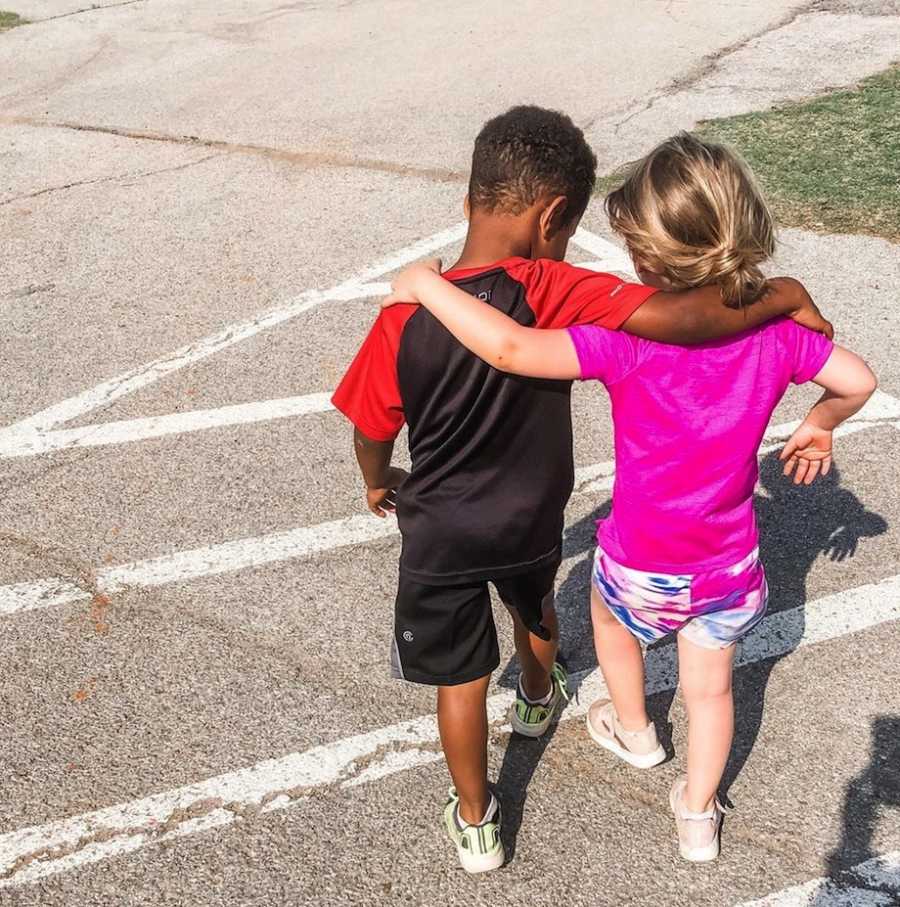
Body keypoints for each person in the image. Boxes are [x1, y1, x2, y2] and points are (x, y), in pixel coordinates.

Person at [334, 111, 832, 874]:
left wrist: (377, 478)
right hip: (531, 510)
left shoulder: (405, 316)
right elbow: (686, 316)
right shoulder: (556, 285)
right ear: (554, 217)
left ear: (471, 199)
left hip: (439, 529)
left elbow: (372, 424)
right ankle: (540, 697)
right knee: (536, 604)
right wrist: (784, 292)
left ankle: (475, 818)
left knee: (461, 678)